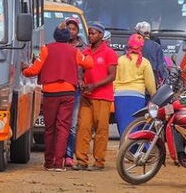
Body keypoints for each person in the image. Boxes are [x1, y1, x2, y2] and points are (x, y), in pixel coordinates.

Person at [22, 22, 93, 171]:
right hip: (68, 93)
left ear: (55, 36)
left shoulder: (46, 49)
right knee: (63, 128)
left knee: (50, 129)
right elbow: (89, 64)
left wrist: (24, 70)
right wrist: (88, 54)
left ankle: (48, 162)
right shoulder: (74, 51)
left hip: (50, 94)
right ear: (68, 37)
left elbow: (34, 70)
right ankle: (58, 163)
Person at [73, 22, 118, 171]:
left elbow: (112, 76)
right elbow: (80, 69)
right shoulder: (85, 52)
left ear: (100, 35)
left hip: (102, 97)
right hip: (87, 96)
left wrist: (94, 85)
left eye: (93, 33)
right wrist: (80, 80)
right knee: (83, 128)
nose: (90, 36)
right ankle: (81, 160)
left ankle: (99, 161)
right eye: (89, 33)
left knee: (101, 130)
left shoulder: (109, 53)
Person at [113, 34, 156, 137]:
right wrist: (154, 97)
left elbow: (114, 80)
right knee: (134, 124)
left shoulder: (120, 60)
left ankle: (124, 146)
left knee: (122, 124)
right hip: (137, 97)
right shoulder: (145, 63)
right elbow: (150, 84)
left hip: (119, 96)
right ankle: (132, 148)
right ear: (141, 47)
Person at [64, 17, 88, 167]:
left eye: (73, 29)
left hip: (76, 90)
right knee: (60, 123)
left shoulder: (83, 48)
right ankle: (58, 155)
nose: (70, 31)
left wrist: (83, 80)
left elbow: (87, 68)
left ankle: (69, 155)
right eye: (68, 28)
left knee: (72, 124)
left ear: (77, 31)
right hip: (61, 88)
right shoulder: (59, 45)